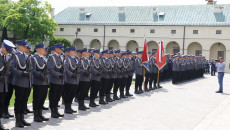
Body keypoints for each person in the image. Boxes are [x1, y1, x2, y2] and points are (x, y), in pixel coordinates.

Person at [10, 40, 31, 128]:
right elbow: (12, 67)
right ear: (20, 46)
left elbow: (31, 67)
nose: (26, 48)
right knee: (18, 101)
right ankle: (17, 120)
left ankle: (22, 118)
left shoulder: (27, 56)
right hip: (19, 81)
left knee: (24, 101)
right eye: (25, 46)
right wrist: (21, 73)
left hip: (27, 82)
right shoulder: (15, 56)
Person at [31, 42, 49, 122]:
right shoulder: (33, 58)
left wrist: (46, 74)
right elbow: (33, 70)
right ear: (38, 49)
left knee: (43, 98)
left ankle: (40, 114)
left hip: (44, 81)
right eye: (42, 48)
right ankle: (36, 115)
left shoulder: (43, 58)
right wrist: (40, 75)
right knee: (37, 98)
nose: (44, 50)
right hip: (38, 81)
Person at [0, 40, 15, 130]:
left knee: (1, 105)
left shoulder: (6, 57)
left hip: (3, 85)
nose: (8, 53)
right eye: (7, 51)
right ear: (2, 47)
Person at [48, 43, 65, 118]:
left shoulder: (60, 57)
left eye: (62, 49)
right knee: (53, 96)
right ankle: (53, 111)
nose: (61, 50)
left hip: (60, 80)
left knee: (58, 96)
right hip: (54, 80)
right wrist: (58, 75)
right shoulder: (52, 57)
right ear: (56, 49)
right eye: (60, 49)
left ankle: (56, 110)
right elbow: (50, 69)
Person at [63, 46, 79, 114]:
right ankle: (67, 108)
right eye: (74, 51)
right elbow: (66, 69)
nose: (75, 52)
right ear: (70, 52)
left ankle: (70, 107)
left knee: (72, 94)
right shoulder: (67, 59)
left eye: (75, 51)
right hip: (69, 80)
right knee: (68, 94)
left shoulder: (76, 59)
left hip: (75, 80)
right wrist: (71, 74)